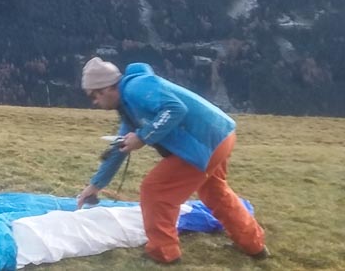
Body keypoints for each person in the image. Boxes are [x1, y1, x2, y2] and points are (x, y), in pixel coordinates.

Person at [76, 57, 268, 265]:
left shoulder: (135, 88)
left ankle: (164, 253)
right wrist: (95, 186)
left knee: (155, 190)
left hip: (202, 144)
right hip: (220, 136)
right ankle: (254, 244)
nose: (94, 102)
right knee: (214, 191)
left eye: (93, 96)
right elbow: (119, 148)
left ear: (105, 88)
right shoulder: (128, 106)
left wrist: (142, 137)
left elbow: (175, 109)